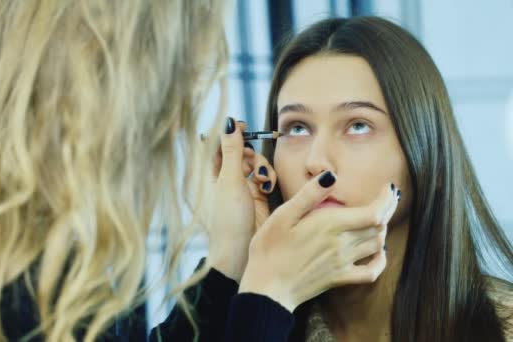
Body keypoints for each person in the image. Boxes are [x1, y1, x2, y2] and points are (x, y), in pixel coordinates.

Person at [0, 0, 232, 340]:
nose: (178, 125)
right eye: (166, 95)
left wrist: (229, 264)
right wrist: (264, 301)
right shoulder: (25, 291)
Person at [190, 16, 513, 342]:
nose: (316, 161)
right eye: (297, 128)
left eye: (358, 125)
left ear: (430, 155)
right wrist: (237, 265)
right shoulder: (245, 316)